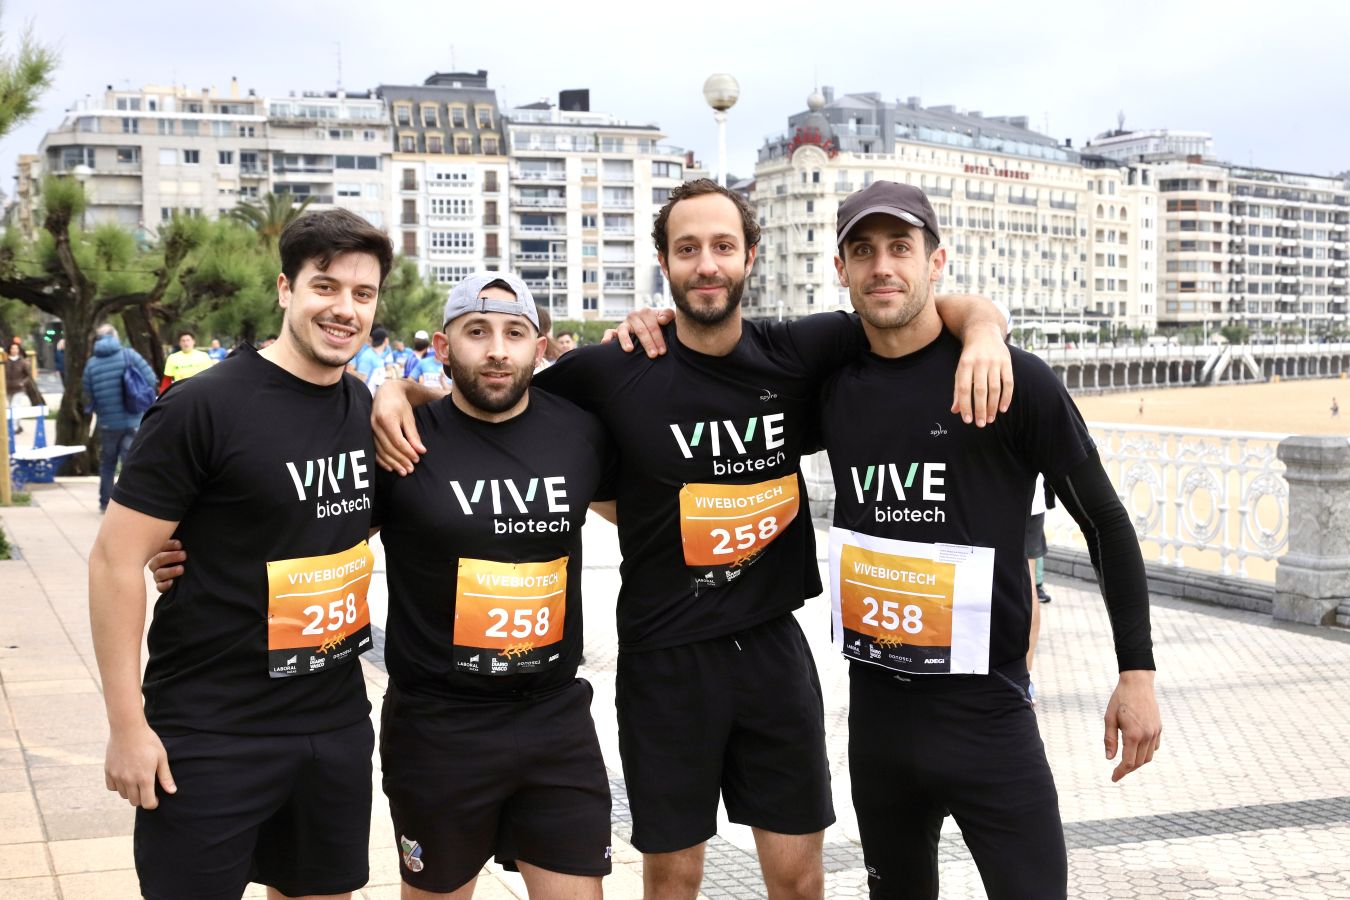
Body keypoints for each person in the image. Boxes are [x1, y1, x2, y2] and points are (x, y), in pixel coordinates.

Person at [372, 178, 1013, 900]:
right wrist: (400, 393)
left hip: (772, 651)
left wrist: (986, 329)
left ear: (750, 257)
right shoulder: (615, 368)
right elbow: (497, 386)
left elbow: (917, 310)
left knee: (801, 882)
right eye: (687, 249)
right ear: (664, 262)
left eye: (722, 247)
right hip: (663, 662)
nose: (706, 264)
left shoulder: (800, 350)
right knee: (674, 879)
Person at [819, 181, 1160, 899]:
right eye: (863, 250)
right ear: (841, 268)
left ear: (936, 260)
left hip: (989, 719)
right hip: (877, 721)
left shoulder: (1011, 379)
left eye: (900, 248)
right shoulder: (827, 380)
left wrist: (1138, 674)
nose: (883, 266)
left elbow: (1105, 522)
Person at [88, 208, 393, 900]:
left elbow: (327, 526)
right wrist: (125, 725)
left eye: (362, 294)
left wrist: (404, 388)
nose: (344, 308)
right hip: (211, 730)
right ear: (286, 289)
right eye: (325, 287)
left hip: (334, 722)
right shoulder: (204, 408)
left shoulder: (362, 407)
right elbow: (113, 561)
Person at [376, 272, 616, 898]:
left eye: (515, 334)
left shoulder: (581, 433)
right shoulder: (402, 441)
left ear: (539, 349)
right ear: (442, 344)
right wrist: (187, 554)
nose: (496, 350)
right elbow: (308, 525)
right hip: (438, 724)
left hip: (554, 718)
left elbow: (652, 514)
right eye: (476, 332)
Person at [81, 325, 157, 512]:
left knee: (108, 462)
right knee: (130, 461)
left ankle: (105, 502)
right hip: (133, 418)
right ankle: (131, 503)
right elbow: (151, 379)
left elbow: (87, 392)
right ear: (115, 336)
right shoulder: (129, 355)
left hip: (107, 422)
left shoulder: (91, 363)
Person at [4, 340, 44, 421]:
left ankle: (14, 427)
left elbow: (29, 376)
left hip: (19, 388)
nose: (14, 350)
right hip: (8, 388)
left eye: (16, 349)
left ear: (18, 350)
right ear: (9, 350)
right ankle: (17, 425)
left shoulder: (23, 362)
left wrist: (22, 383)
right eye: (12, 348)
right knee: (10, 407)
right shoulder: (5, 362)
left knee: (15, 406)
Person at [352, 325, 394, 393]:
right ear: (386, 340)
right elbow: (361, 380)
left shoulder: (377, 355)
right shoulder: (368, 356)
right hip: (366, 398)